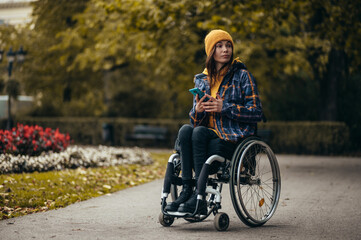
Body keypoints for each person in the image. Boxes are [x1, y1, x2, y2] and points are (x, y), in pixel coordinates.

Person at [165, 29, 263, 214]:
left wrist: (224, 107)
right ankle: (187, 190)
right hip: (204, 136)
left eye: (228, 45)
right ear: (211, 51)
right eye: (219, 46)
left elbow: (257, 113)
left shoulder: (243, 76)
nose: (225, 50)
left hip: (231, 137)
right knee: (186, 130)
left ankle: (199, 196)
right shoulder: (201, 80)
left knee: (198, 132)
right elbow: (195, 121)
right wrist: (198, 111)